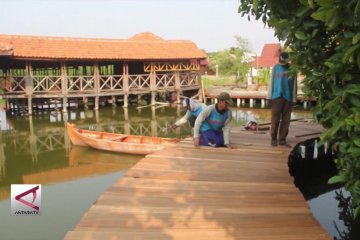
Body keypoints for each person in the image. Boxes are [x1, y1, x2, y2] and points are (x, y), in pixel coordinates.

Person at [267, 52, 297, 147]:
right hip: (276, 97)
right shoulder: (275, 67)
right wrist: (269, 97)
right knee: (275, 119)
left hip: (288, 97)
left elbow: (295, 85)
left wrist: (294, 98)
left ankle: (282, 140)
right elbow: (271, 82)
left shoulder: (292, 69)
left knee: (286, 120)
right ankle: (273, 138)